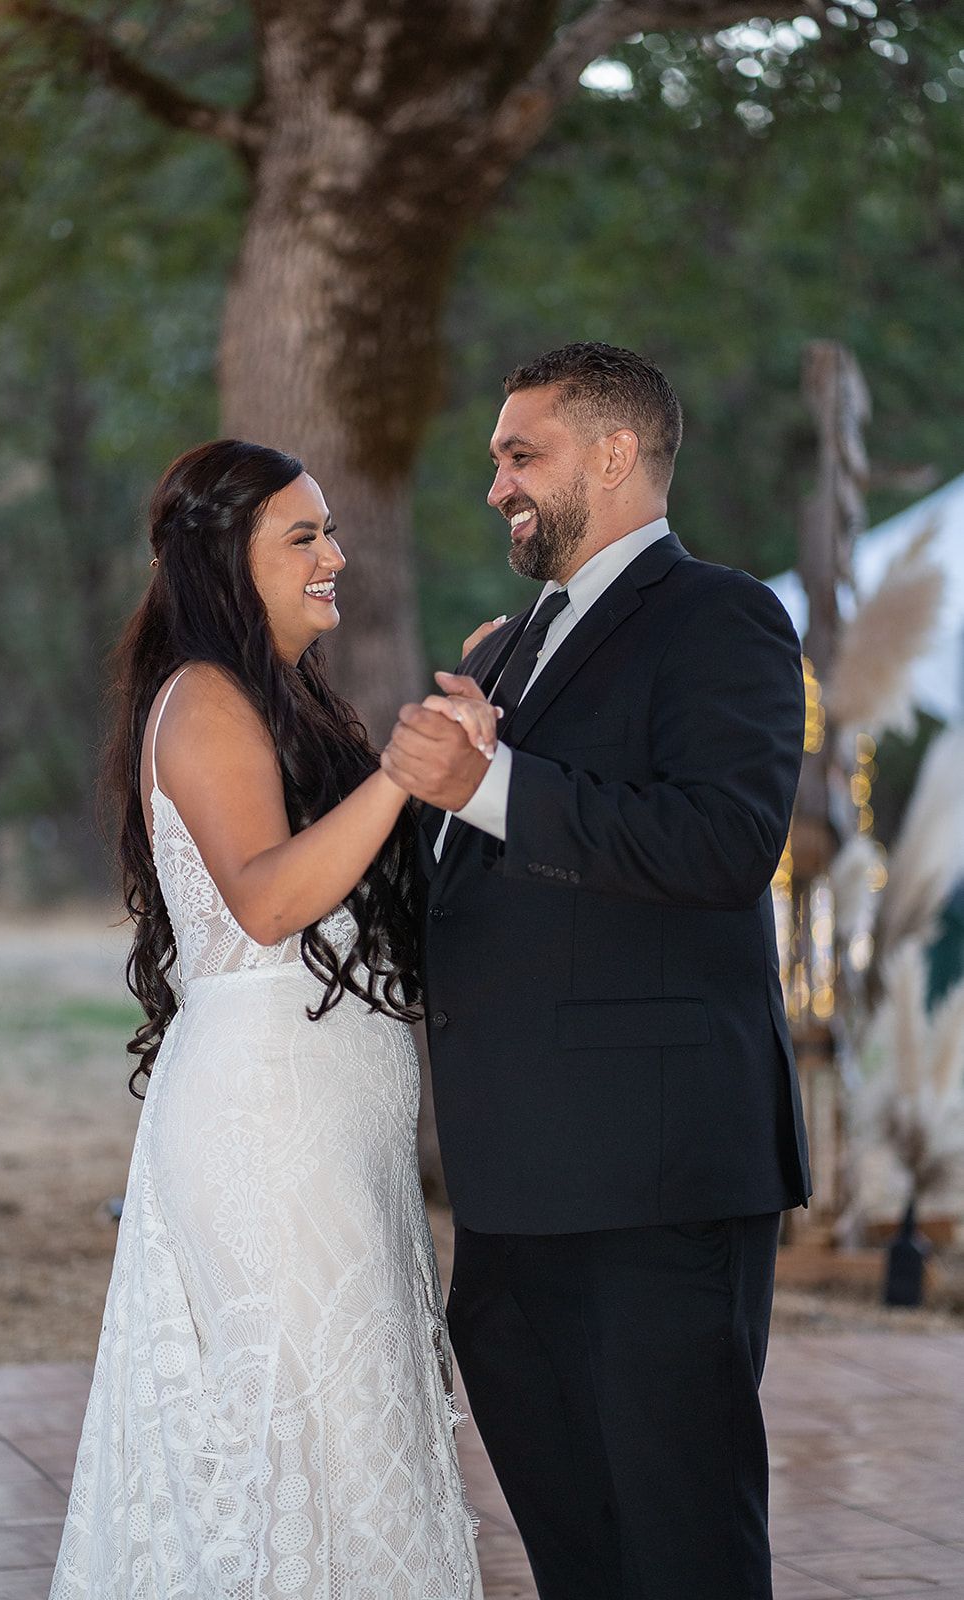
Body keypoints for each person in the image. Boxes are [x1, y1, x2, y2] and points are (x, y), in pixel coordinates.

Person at [381, 342, 811, 1600]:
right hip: (516, 1189)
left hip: (653, 1175)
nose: (496, 485)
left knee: (681, 1549)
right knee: (579, 1554)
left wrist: (493, 782)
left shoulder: (720, 615)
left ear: (614, 455)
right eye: (495, 459)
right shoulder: (513, 647)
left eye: (522, 454)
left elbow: (724, 844)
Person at [49, 440, 486, 1600]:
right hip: (266, 1137)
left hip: (326, 1135)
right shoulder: (201, 698)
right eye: (304, 537)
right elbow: (269, 895)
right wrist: (398, 774)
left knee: (353, 1428)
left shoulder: (283, 700)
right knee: (302, 1439)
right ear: (222, 561)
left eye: (331, 529)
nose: (335, 555)